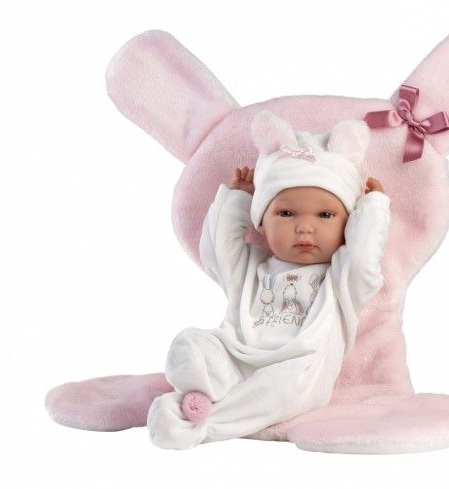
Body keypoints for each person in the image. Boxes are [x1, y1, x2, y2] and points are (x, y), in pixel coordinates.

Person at [147, 110, 390, 449]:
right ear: (261, 222)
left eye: (325, 214)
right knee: (190, 343)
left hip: (297, 369)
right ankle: (210, 388)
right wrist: (237, 199)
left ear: (347, 224)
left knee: (287, 388)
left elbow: (364, 260)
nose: (305, 227)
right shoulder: (251, 269)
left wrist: (373, 209)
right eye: (286, 213)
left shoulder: (341, 280)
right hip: (237, 356)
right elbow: (217, 249)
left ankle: (202, 421)